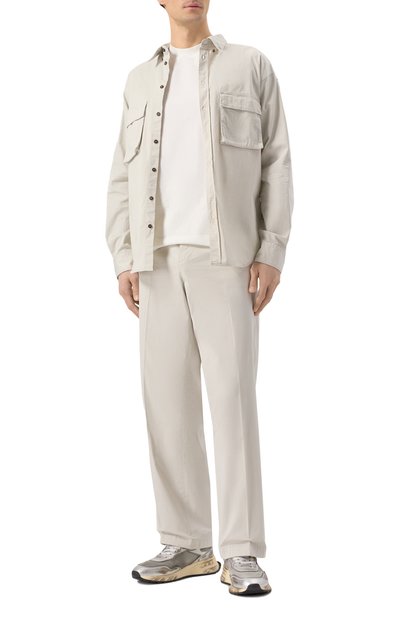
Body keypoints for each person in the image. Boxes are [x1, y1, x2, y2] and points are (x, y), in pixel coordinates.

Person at [105, 0, 294, 597]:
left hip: (228, 258)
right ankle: (186, 543)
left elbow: (277, 161)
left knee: (233, 401)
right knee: (167, 406)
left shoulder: (250, 65)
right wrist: (124, 255)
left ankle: (241, 551)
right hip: (156, 262)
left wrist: (271, 250)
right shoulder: (139, 80)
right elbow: (120, 177)